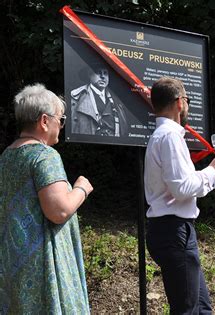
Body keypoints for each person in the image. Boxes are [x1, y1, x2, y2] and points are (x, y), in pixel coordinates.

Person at [0, 83, 94, 313]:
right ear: (44, 121)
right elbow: (59, 210)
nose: (61, 126)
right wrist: (81, 188)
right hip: (43, 267)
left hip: (14, 263)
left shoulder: (6, 156)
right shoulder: (44, 156)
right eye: (60, 120)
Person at [144, 77, 215, 314]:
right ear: (180, 103)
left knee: (201, 308)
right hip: (173, 230)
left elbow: (181, 185)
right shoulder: (170, 136)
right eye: (187, 100)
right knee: (187, 310)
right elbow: (182, 188)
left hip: (174, 230)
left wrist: (212, 176)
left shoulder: (163, 136)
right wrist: (213, 170)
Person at [70, 62, 129, 136]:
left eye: (105, 73)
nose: (102, 76)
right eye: (98, 73)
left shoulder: (117, 100)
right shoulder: (76, 97)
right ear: (89, 75)